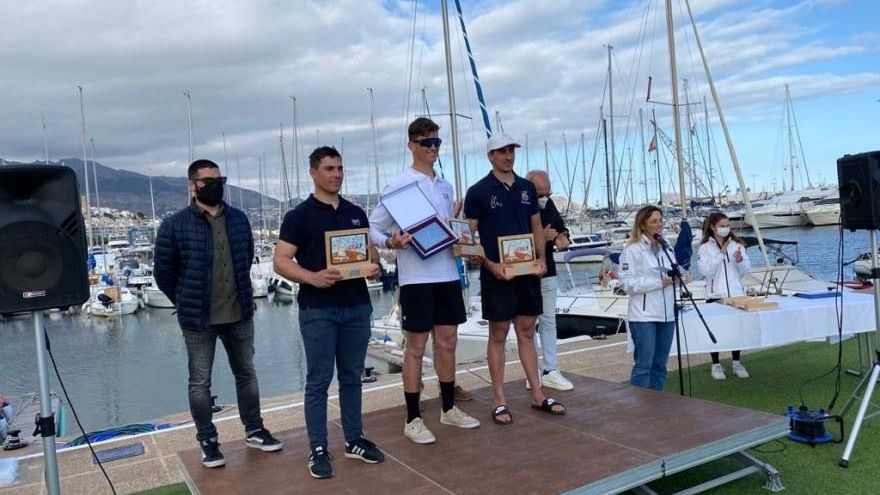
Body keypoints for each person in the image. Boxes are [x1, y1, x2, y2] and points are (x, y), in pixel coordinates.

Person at [154, 159, 282, 469]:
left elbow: (247, 257)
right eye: (207, 180)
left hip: (239, 313)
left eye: (218, 178)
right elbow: (163, 274)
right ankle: (208, 441)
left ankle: (254, 429)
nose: (215, 184)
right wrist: (185, 301)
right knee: (200, 382)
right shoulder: (174, 225)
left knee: (247, 374)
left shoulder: (239, 220)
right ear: (193, 185)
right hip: (198, 319)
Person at [274, 146, 385, 479]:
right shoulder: (299, 216)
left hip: (356, 306)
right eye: (328, 168)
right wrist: (312, 277)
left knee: (352, 377)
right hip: (318, 310)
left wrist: (375, 266)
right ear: (313, 173)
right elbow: (280, 261)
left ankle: (354, 439)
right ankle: (318, 448)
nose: (336, 174)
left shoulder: (355, 213)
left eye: (339, 168)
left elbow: (370, 253)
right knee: (318, 381)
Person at [369, 118, 480, 445]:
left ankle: (448, 408)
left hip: (447, 274)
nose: (432, 148)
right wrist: (392, 242)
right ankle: (413, 417)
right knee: (415, 348)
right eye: (425, 143)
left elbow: (452, 231)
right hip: (416, 279)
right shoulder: (399, 187)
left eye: (436, 142)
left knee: (447, 343)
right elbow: (372, 227)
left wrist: (462, 236)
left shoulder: (445, 187)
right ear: (411, 146)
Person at [464, 133, 566, 425]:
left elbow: (536, 224)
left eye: (511, 150)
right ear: (491, 156)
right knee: (498, 334)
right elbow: (467, 236)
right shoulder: (478, 191)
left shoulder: (526, 188)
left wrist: (541, 258)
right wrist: (488, 262)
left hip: (526, 273)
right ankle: (499, 399)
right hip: (497, 274)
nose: (508, 156)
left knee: (526, 330)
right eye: (501, 151)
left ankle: (537, 393)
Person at [618, 205, 677, 391]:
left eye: (660, 221)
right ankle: (639, 409)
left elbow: (673, 271)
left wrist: (679, 277)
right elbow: (627, 284)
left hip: (667, 314)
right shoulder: (632, 251)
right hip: (644, 317)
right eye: (654, 221)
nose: (659, 225)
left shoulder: (666, 247)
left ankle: (657, 404)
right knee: (644, 365)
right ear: (643, 225)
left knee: (660, 365)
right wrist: (658, 282)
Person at [525, 170, 574, 391]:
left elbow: (561, 228)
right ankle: (532, 371)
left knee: (548, 320)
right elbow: (509, 239)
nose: (545, 198)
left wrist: (562, 237)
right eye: (540, 194)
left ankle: (550, 369)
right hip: (525, 271)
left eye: (548, 193)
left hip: (548, 269)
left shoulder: (549, 204)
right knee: (527, 324)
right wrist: (537, 237)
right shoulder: (519, 204)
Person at [697, 211, 752, 380]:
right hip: (716, 295)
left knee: (736, 330)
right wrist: (721, 254)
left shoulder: (737, 244)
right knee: (716, 331)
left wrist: (740, 260)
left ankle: (736, 362)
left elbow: (746, 270)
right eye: (722, 226)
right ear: (713, 227)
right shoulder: (704, 248)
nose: (725, 229)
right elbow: (706, 271)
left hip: (736, 294)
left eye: (727, 226)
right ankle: (716, 364)